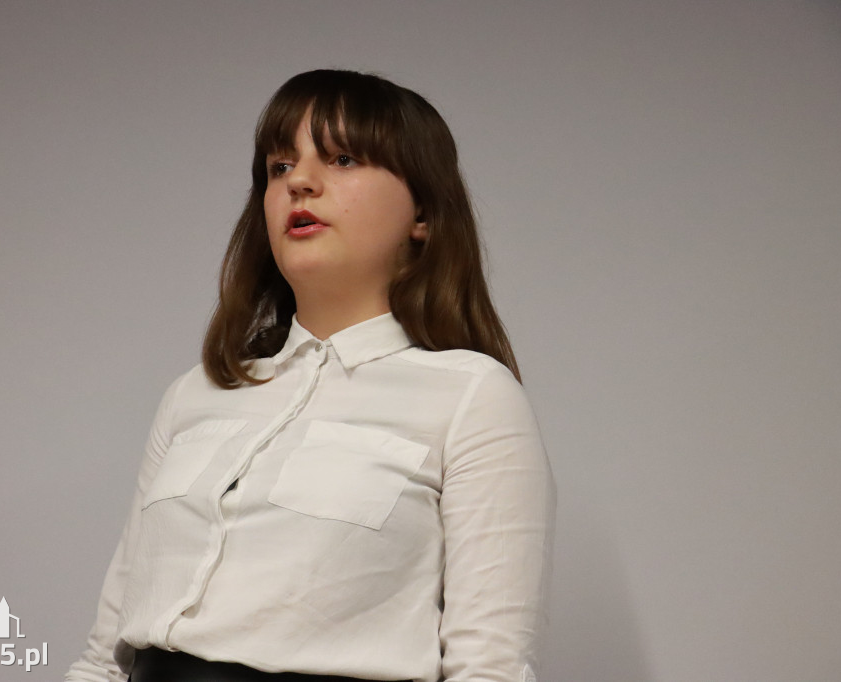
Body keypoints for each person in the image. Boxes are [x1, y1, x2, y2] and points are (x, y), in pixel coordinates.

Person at [66, 69, 555, 682]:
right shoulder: (196, 394)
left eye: (343, 158)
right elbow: (104, 656)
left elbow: (489, 668)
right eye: (279, 167)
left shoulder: (471, 397)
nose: (299, 181)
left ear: (423, 213)